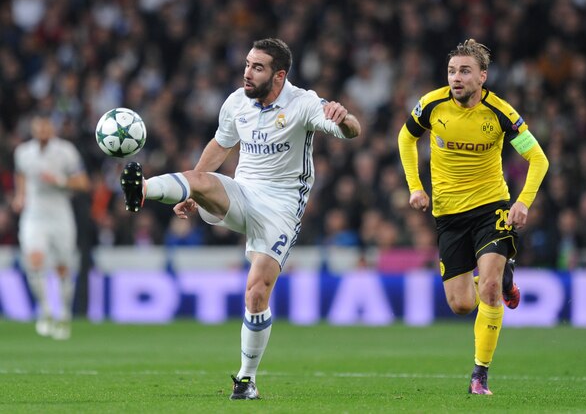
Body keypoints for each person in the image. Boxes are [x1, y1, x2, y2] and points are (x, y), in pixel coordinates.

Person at [120, 38, 361, 399]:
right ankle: (142, 191)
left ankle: (246, 380)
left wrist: (345, 119)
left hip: (281, 209)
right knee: (199, 178)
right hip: (243, 194)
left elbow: (351, 131)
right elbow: (221, 145)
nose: (247, 72)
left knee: (256, 293)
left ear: (279, 76)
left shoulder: (304, 103)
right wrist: (191, 193)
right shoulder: (237, 101)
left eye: (257, 67)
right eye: (247, 64)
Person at [397, 39, 549, 395]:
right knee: (462, 304)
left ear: (483, 76)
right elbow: (406, 139)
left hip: (491, 208)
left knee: (491, 289)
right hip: (448, 215)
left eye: (465, 71)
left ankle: (480, 374)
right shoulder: (431, 105)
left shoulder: (501, 114)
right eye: (452, 71)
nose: (456, 78)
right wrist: (415, 186)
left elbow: (539, 159)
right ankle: (503, 277)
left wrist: (523, 202)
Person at [12, 113, 90, 340]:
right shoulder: (23, 152)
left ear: (52, 129)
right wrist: (20, 196)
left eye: (46, 127)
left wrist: (61, 181)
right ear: (34, 129)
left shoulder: (66, 151)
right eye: (39, 128)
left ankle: (63, 314)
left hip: (60, 214)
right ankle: (45, 310)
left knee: (63, 267)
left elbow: (84, 183)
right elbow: (20, 175)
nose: (43, 132)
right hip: (34, 215)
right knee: (34, 261)